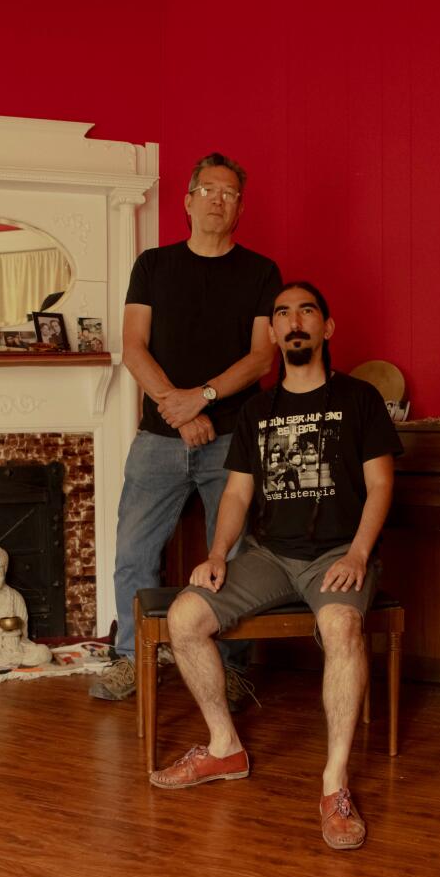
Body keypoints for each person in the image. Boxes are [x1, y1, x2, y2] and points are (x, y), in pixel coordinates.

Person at [148, 282, 401, 853]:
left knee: (342, 628)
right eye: (282, 314)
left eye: (306, 311)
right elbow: (236, 496)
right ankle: (223, 749)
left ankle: (334, 785)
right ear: (272, 333)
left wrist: (359, 554)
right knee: (185, 618)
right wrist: (217, 555)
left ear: (326, 328)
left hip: (338, 554)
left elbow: (381, 483)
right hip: (267, 556)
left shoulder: (360, 399)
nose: (294, 322)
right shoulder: (259, 411)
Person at [89, 152, 281, 706]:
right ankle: (132, 659)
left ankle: (230, 667)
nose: (220, 200)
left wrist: (204, 397)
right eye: (210, 190)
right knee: (134, 551)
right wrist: (180, 410)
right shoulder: (153, 265)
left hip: (233, 442)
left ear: (240, 207)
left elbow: (261, 356)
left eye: (231, 194)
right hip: (158, 440)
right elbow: (133, 348)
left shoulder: (260, 271)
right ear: (188, 199)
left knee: (238, 556)